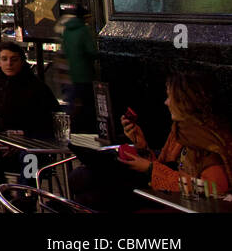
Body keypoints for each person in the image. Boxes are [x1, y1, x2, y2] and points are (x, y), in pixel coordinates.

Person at [73, 71, 232, 211]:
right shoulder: (179, 131)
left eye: (170, 97)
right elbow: (162, 166)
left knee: (90, 191)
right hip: (162, 196)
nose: (166, 102)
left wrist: (150, 169)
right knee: (81, 178)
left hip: (180, 204)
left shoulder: (209, 142)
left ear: (185, 102)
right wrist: (142, 146)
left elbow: (214, 191)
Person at [0, 41, 60, 139]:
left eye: (14, 59)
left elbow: (48, 120)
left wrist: (25, 136)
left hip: (30, 141)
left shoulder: (36, 86)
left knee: (28, 155)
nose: (9, 63)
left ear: (21, 61)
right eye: (4, 59)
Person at [60, 6, 98, 132]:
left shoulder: (67, 30)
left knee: (74, 105)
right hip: (84, 74)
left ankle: (74, 130)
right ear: (86, 17)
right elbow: (91, 51)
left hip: (70, 75)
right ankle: (86, 131)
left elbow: (64, 50)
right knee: (88, 106)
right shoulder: (83, 30)